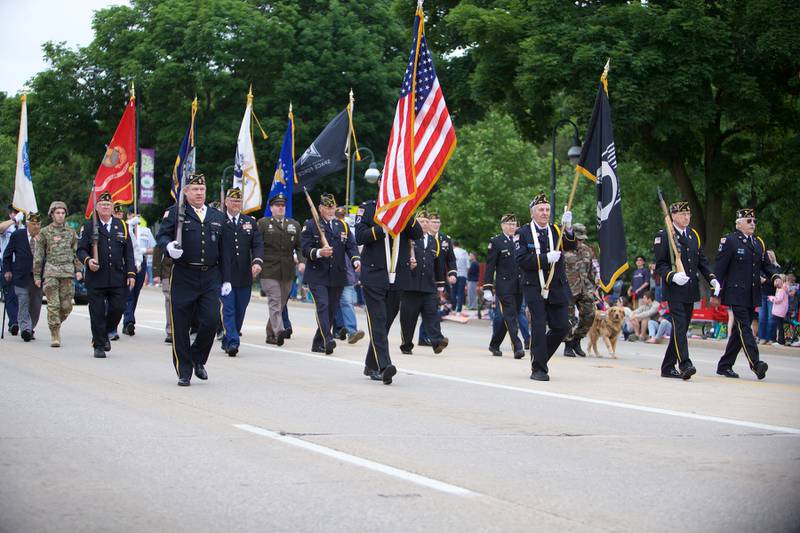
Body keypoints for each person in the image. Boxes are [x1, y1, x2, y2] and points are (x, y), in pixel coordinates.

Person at [157, 173, 232, 386]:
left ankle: (198, 359)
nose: (199, 193)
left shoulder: (217, 216)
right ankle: (184, 370)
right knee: (180, 326)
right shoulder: (175, 213)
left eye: (202, 190)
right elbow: (162, 236)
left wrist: (227, 279)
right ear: (186, 192)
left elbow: (224, 250)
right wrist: (168, 247)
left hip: (210, 277)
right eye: (194, 189)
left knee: (210, 321)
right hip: (183, 275)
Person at [355, 196, 424, 383]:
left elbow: (417, 233)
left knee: (384, 323)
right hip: (374, 274)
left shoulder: (404, 210)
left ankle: (371, 364)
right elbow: (360, 236)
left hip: (398, 276)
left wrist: (406, 214)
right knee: (378, 320)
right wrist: (383, 228)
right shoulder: (368, 208)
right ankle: (384, 366)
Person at [653, 201, 718, 379]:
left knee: (679, 329)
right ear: (673, 216)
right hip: (674, 289)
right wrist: (672, 275)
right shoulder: (664, 235)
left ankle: (667, 367)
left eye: (688, 215)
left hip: (690, 289)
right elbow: (660, 264)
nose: (687, 218)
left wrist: (712, 278)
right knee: (680, 325)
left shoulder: (692, 235)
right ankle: (685, 364)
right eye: (683, 215)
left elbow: (701, 261)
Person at [714, 208, 781, 379]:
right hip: (735, 293)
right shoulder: (730, 240)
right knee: (745, 328)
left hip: (752, 293)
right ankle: (756, 364)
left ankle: (725, 365)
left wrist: (774, 277)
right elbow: (720, 268)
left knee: (738, 332)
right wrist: (715, 292)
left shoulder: (758, 243)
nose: (753, 224)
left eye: (754, 221)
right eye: (749, 221)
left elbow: (766, 265)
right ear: (739, 223)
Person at [515, 192, 575, 381]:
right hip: (534, 286)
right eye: (541, 209)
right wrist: (545, 258)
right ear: (532, 212)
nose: (545, 213)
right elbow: (522, 259)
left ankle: (539, 358)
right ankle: (539, 369)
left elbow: (570, 245)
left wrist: (570, 228)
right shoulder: (522, 233)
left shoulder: (556, 230)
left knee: (562, 326)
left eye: (547, 209)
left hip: (556, 286)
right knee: (539, 326)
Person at [77, 191, 136, 358]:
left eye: (108, 205)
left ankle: (104, 333)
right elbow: (80, 250)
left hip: (117, 276)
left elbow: (128, 253)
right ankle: (99, 345)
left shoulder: (122, 225)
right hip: (96, 277)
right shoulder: (89, 226)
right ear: (97, 207)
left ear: (112, 207)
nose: (105, 207)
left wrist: (131, 274)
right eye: (102, 204)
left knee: (118, 308)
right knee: (96, 311)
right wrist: (88, 261)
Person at [300, 193, 360, 354]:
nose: (331, 210)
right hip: (317, 274)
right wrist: (320, 252)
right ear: (320, 208)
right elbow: (304, 249)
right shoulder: (311, 225)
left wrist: (355, 260)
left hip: (337, 275)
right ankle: (327, 338)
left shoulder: (342, 226)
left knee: (332, 310)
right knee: (323, 306)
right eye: (327, 207)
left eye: (333, 207)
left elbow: (351, 246)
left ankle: (317, 342)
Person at [219, 187, 264, 356]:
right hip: (225, 274)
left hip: (244, 274)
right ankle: (233, 341)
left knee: (240, 309)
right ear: (226, 202)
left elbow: (258, 244)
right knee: (228, 308)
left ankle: (228, 336)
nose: (236, 204)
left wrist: (257, 262)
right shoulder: (218, 220)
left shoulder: (250, 222)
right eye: (233, 200)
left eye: (238, 201)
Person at [33, 201, 83, 347]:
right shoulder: (44, 232)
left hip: (67, 273)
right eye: (57, 213)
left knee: (67, 306)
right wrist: (36, 276)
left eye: (62, 213)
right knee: (53, 305)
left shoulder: (71, 233)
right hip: (51, 272)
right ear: (52, 214)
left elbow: (76, 253)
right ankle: (55, 333)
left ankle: (55, 322)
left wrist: (79, 270)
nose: (60, 216)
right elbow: (38, 256)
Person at [400, 210, 449, 355]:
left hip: (428, 286)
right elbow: (400, 257)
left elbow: (438, 266)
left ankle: (437, 342)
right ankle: (407, 344)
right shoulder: (409, 238)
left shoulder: (434, 241)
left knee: (432, 314)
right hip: (410, 286)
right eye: (421, 221)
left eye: (427, 221)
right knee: (408, 318)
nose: (425, 224)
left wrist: (440, 286)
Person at [257, 193, 304, 346]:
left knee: (281, 303)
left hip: (287, 270)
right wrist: (255, 263)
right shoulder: (263, 224)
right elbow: (256, 246)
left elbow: (299, 247)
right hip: (269, 270)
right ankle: (279, 332)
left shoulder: (294, 224)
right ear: (271, 208)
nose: (281, 208)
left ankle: (270, 333)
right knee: (275, 301)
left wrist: (302, 261)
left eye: (283, 205)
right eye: (277, 205)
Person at [483, 213, 525, 358]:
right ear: (502, 226)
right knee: (511, 316)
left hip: (519, 285)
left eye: (514, 224)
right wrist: (487, 287)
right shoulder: (496, 242)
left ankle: (494, 344)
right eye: (508, 224)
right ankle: (517, 347)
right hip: (504, 286)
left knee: (507, 318)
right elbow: (490, 266)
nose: (512, 227)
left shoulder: (520, 240)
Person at [2, 211, 43, 341]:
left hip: (37, 277)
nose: (36, 227)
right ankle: (25, 329)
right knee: (23, 301)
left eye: (38, 224)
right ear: (27, 224)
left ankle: (31, 327)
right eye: (33, 224)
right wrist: (7, 270)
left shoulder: (43, 237)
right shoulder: (18, 235)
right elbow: (7, 254)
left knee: (35, 305)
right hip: (20, 276)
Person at [562, 223, 596, 357]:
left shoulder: (587, 250)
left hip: (584, 288)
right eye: (578, 239)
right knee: (568, 318)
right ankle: (568, 345)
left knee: (590, 315)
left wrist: (593, 287)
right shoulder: (563, 249)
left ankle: (577, 340)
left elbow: (590, 271)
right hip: (568, 289)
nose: (580, 241)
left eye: (582, 239)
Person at [120, 208, 156, 336]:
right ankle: (129, 321)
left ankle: (128, 320)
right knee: (129, 291)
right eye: (134, 215)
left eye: (138, 215)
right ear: (129, 216)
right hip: (128, 262)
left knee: (135, 293)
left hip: (141, 262)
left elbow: (154, 248)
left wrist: (143, 250)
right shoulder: (124, 228)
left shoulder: (146, 231)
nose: (136, 218)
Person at [333, 207, 365, 344]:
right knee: (329, 304)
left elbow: (354, 250)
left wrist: (356, 274)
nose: (341, 218)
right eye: (338, 215)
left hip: (346, 274)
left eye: (342, 216)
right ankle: (330, 331)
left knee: (347, 302)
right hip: (328, 273)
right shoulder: (327, 229)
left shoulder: (347, 230)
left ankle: (352, 331)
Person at [0, 205, 24, 336]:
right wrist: (14, 220)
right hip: (8, 264)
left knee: (23, 295)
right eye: (14, 213)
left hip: (22, 265)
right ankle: (13, 322)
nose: (17, 214)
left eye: (20, 213)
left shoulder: (26, 228)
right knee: (11, 294)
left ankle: (24, 323)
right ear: (10, 214)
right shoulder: (7, 226)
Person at [150, 244, 173, 343]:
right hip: (168, 272)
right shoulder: (169, 229)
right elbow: (158, 249)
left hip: (188, 272)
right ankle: (171, 331)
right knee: (170, 300)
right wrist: (156, 273)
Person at [768, 275, 788, 346]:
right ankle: (780, 340)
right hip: (780, 311)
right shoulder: (782, 289)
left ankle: (780, 341)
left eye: (777, 280)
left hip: (779, 311)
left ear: (781, 281)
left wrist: (771, 298)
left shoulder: (781, 290)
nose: (776, 282)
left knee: (779, 326)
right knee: (780, 326)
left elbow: (778, 300)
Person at [452, 240, 469, 313]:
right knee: (460, 292)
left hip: (454, 274)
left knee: (453, 291)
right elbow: (468, 266)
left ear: (453, 245)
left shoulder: (452, 252)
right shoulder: (464, 252)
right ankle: (459, 308)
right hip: (463, 275)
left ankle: (453, 307)